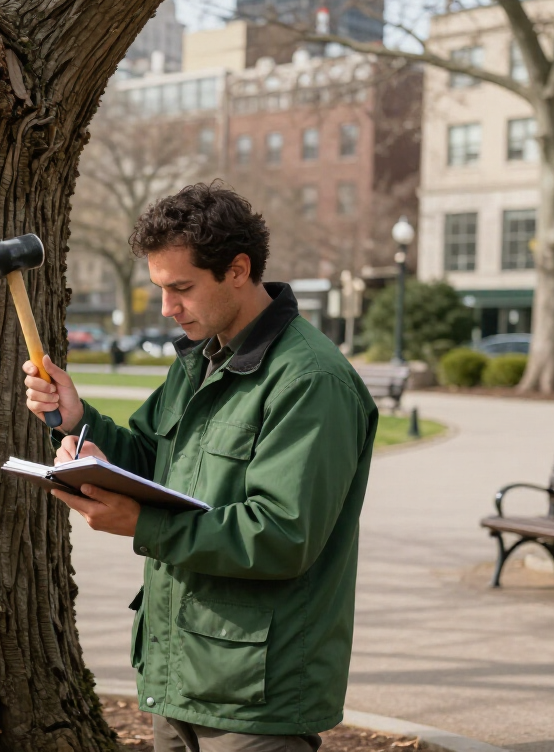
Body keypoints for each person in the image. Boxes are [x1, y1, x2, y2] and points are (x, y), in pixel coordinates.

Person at [23, 182, 377, 752]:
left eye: (181, 289)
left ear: (238, 270)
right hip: (178, 673)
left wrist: (142, 524)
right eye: (160, 289)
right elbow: (147, 457)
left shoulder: (311, 380)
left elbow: (283, 534)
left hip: (256, 698)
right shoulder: (200, 360)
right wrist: (77, 420)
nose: (167, 308)